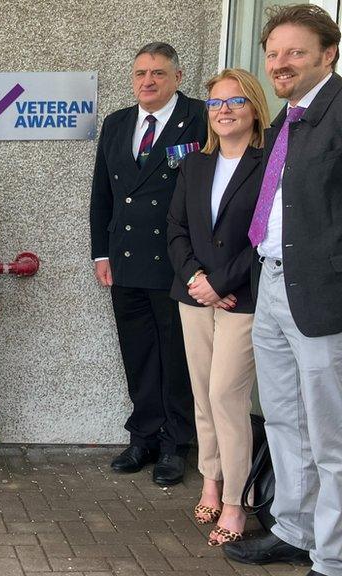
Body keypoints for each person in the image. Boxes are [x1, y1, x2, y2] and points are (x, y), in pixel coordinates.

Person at [224, 6, 342, 574]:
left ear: (329, 54)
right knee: (284, 420)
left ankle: (332, 554)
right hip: (271, 285)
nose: (281, 63)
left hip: (321, 297)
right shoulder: (290, 119)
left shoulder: (339, 115)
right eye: (273, 54)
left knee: (330, 436)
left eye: (295, 52)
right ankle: (294, 529)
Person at [89, 42, 207, 486]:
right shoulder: (119, 123)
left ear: (177, 77)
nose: (148, 81)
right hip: (125, 261)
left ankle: (176, 443)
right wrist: (101, 252)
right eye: (140, 73)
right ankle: (144, 437)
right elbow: (103, 194)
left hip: (178, 262)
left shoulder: (199, 117)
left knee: (175, 357)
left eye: (158, 73)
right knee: (138, 354)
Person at [166, 68, 269, 547]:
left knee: (228, 395)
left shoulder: (269, 164)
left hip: (241, 299)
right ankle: (211, 480)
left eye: (234, 102)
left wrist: (221, 284)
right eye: (215, 103)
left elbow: (263, 235)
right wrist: (196, 279)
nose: (224, 110)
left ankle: (237, 501)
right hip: (194, 295)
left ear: (254, 108)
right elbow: (176, 230)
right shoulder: (195, 165)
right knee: (204, 395)